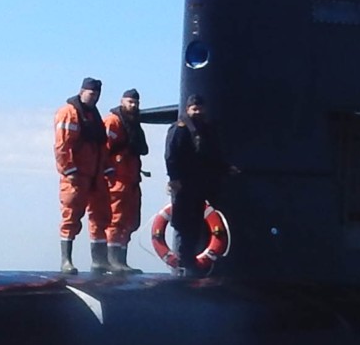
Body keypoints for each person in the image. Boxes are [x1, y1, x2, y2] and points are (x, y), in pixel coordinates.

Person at [163, 94, 237, 273]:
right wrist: (174, 179)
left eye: (200, 108)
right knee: (183, 223)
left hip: (200, 184)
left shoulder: (206, 130)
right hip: (184, 184)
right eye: (194, 109)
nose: (197, 112)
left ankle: (189, 262)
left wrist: (226, 168)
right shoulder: (179, 129)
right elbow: (170, 155)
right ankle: (183, 261)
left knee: (195, 222)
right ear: (187, 109)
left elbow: (210, 156)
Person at [54, 77, 109, 274]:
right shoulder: (69, 113)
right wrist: (69, 171)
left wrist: (103, 169)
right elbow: (62, 146)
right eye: (91, 94)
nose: (94, 98)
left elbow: (101, 146)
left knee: (101, 216)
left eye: (97, 95)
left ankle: (99, 261)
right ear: (82, 91)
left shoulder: (94, 115)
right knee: (71, 215)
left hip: (94, 175)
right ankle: (66, 260)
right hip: (76, 176)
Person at [102, 89, 151, 272]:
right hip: (117, 178)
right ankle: (112, 260)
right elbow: (103, 149)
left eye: (136, 102)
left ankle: (121, 261)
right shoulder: (113, 122)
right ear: (122, 101)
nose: (134, 105)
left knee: (130, 221)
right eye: (130, 102)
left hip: (131, 179)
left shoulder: (134, 124)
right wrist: (108, 171)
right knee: (116, 219)